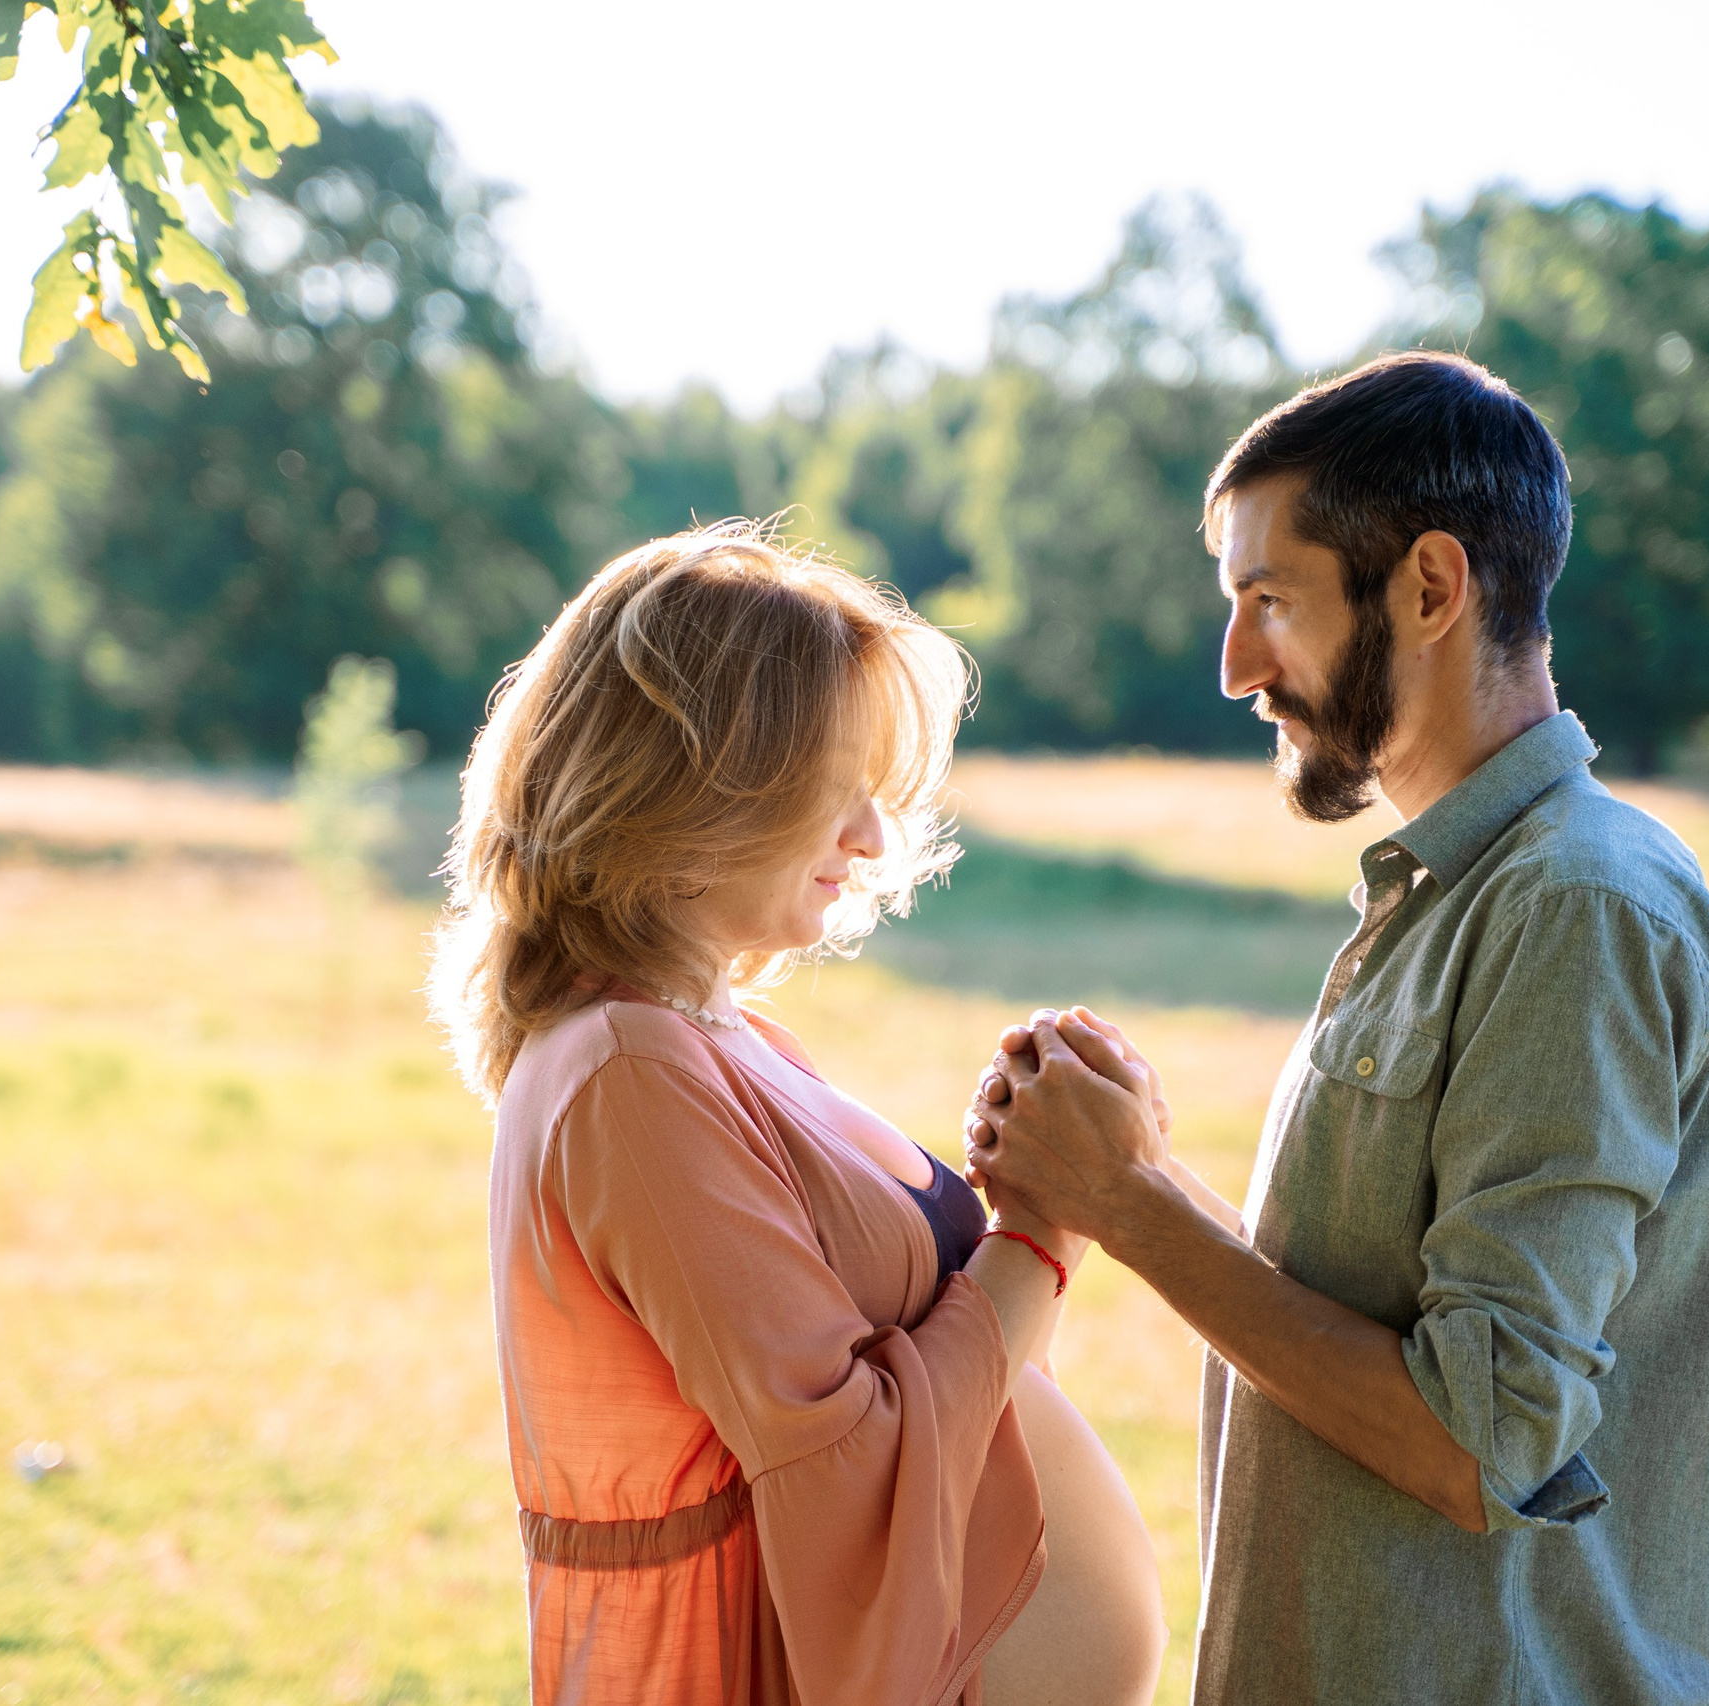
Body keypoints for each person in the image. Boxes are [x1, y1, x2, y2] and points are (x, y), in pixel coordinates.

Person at [966, 352, 1709, 1705]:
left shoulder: (1574, 904)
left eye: (1271, 600)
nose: (1234, 667)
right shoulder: (1463, 889)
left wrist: (1131, 1202)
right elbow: (1388, 1322)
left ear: (1433, 587)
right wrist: (1125, 1176)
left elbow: (1483, 1434)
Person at [432, 523, 1166, 1705]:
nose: (873, 836)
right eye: (836, 788)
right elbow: (843, 1461)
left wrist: (1004, 1176)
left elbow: (937, 1366)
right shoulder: (626, 1066)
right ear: (692, 787)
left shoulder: (717, 1033)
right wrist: (1044, 1227)